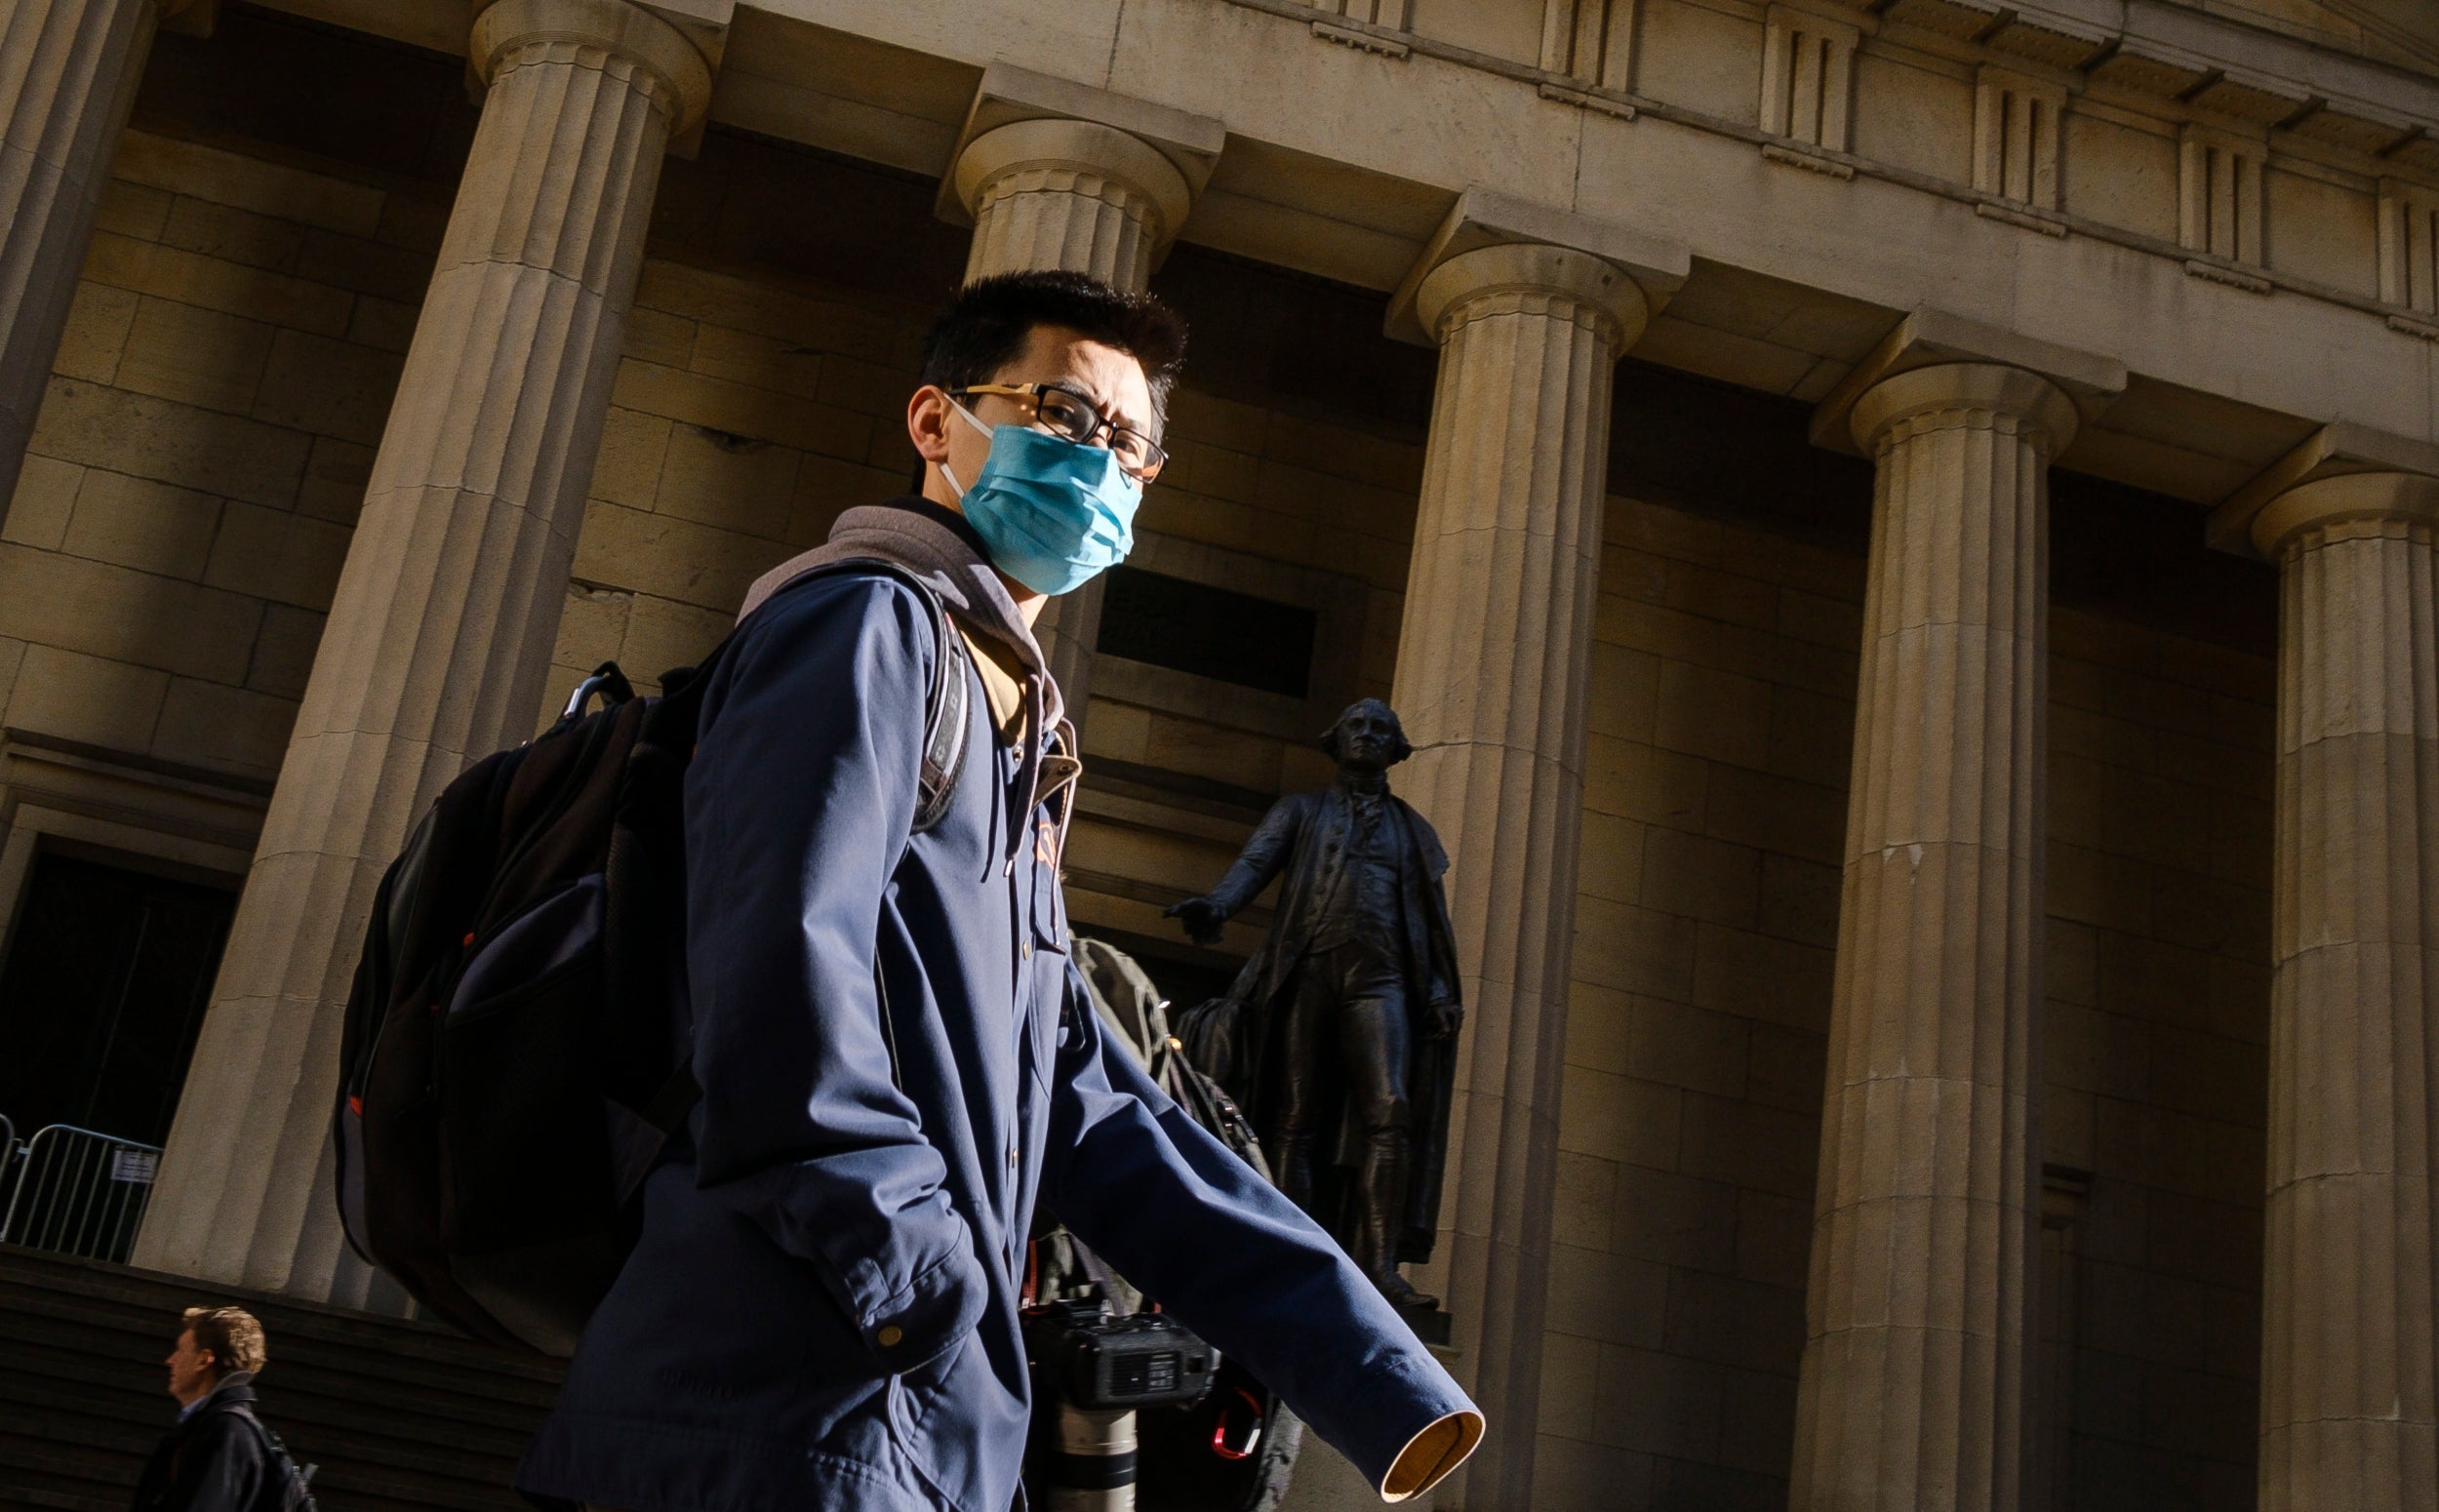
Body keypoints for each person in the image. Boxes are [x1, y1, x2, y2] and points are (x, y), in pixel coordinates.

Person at [515, 270, 1482, 1512]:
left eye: (1131, 444)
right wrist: (927, 1291)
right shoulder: (863, 628)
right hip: (766, 1423)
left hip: (903, 1428)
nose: (1102, 461)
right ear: (937, 424)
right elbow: (777, 993)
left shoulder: (1009, 723)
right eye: (1065, 414)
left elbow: (1106, 1120)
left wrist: (1376, 1371)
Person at [1165, 699, 1463, 1312]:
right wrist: (1218, 906)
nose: (1367, 735)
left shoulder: (1413, 831)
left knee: (1391, 1109)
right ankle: (1292, 1246)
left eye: (1380, 730)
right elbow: (1255, 864)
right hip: (1306, 973)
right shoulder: (1301, 811)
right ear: (1336, 740)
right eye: (1356, 726)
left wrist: (1437, 987)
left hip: (1381, 980)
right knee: (1296, 1114)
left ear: (1396, 750)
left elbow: (1432, 922)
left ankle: (1380, 1267)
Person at [132, 1306, 277, 1512]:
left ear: (203, 1360)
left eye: (180, 1350)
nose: (170, 1360)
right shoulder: (216, 1425)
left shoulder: (225, 1431)